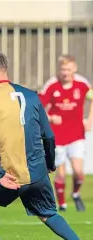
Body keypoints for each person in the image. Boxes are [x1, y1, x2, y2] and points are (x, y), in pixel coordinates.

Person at [0, 52, 79, 240]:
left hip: (10, 175)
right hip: (37, 172)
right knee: (48, 214)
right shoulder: (31, 95)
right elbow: (49, 136)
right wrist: (49, 164)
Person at [39, 55, 93, 212]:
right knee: (60, 173)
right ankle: (62, 204)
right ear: (59, 70)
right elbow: (39, 105)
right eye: (63, 69)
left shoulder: (82, 84)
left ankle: (75, 194)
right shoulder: (52, 85)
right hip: (56, 136)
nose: (65, 73)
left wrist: (89, 119)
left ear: (74, 69)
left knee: (79, 172)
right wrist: (49, 117)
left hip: (76, 134)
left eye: (68, 69)